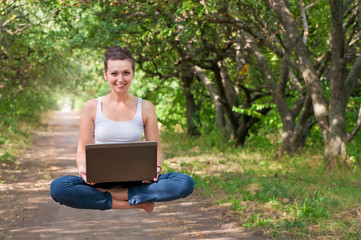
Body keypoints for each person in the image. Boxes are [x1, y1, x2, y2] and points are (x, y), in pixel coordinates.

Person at [50, 46, 194, 213]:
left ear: (133, 74)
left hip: (138, 179)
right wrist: (84, 171)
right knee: (59, 187)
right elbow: (82, 150)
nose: (120, 79)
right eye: (114, 73)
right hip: (99, 180)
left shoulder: (146, 107)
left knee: (185, 183)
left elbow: (156, 149)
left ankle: (111, 195)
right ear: (106, 75)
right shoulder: (91, 107)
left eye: (126, 73)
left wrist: (156, 169)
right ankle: (132, 201)